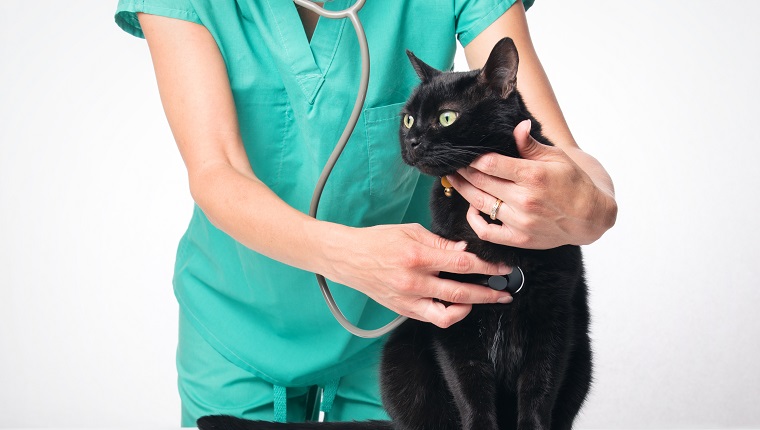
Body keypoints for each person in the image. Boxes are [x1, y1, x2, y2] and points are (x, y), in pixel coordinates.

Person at [115, 0, 616, 425]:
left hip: (401, 325)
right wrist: (350, 258)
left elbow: (556, 155)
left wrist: (593, 206)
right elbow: (215, 168)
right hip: (237, 325)